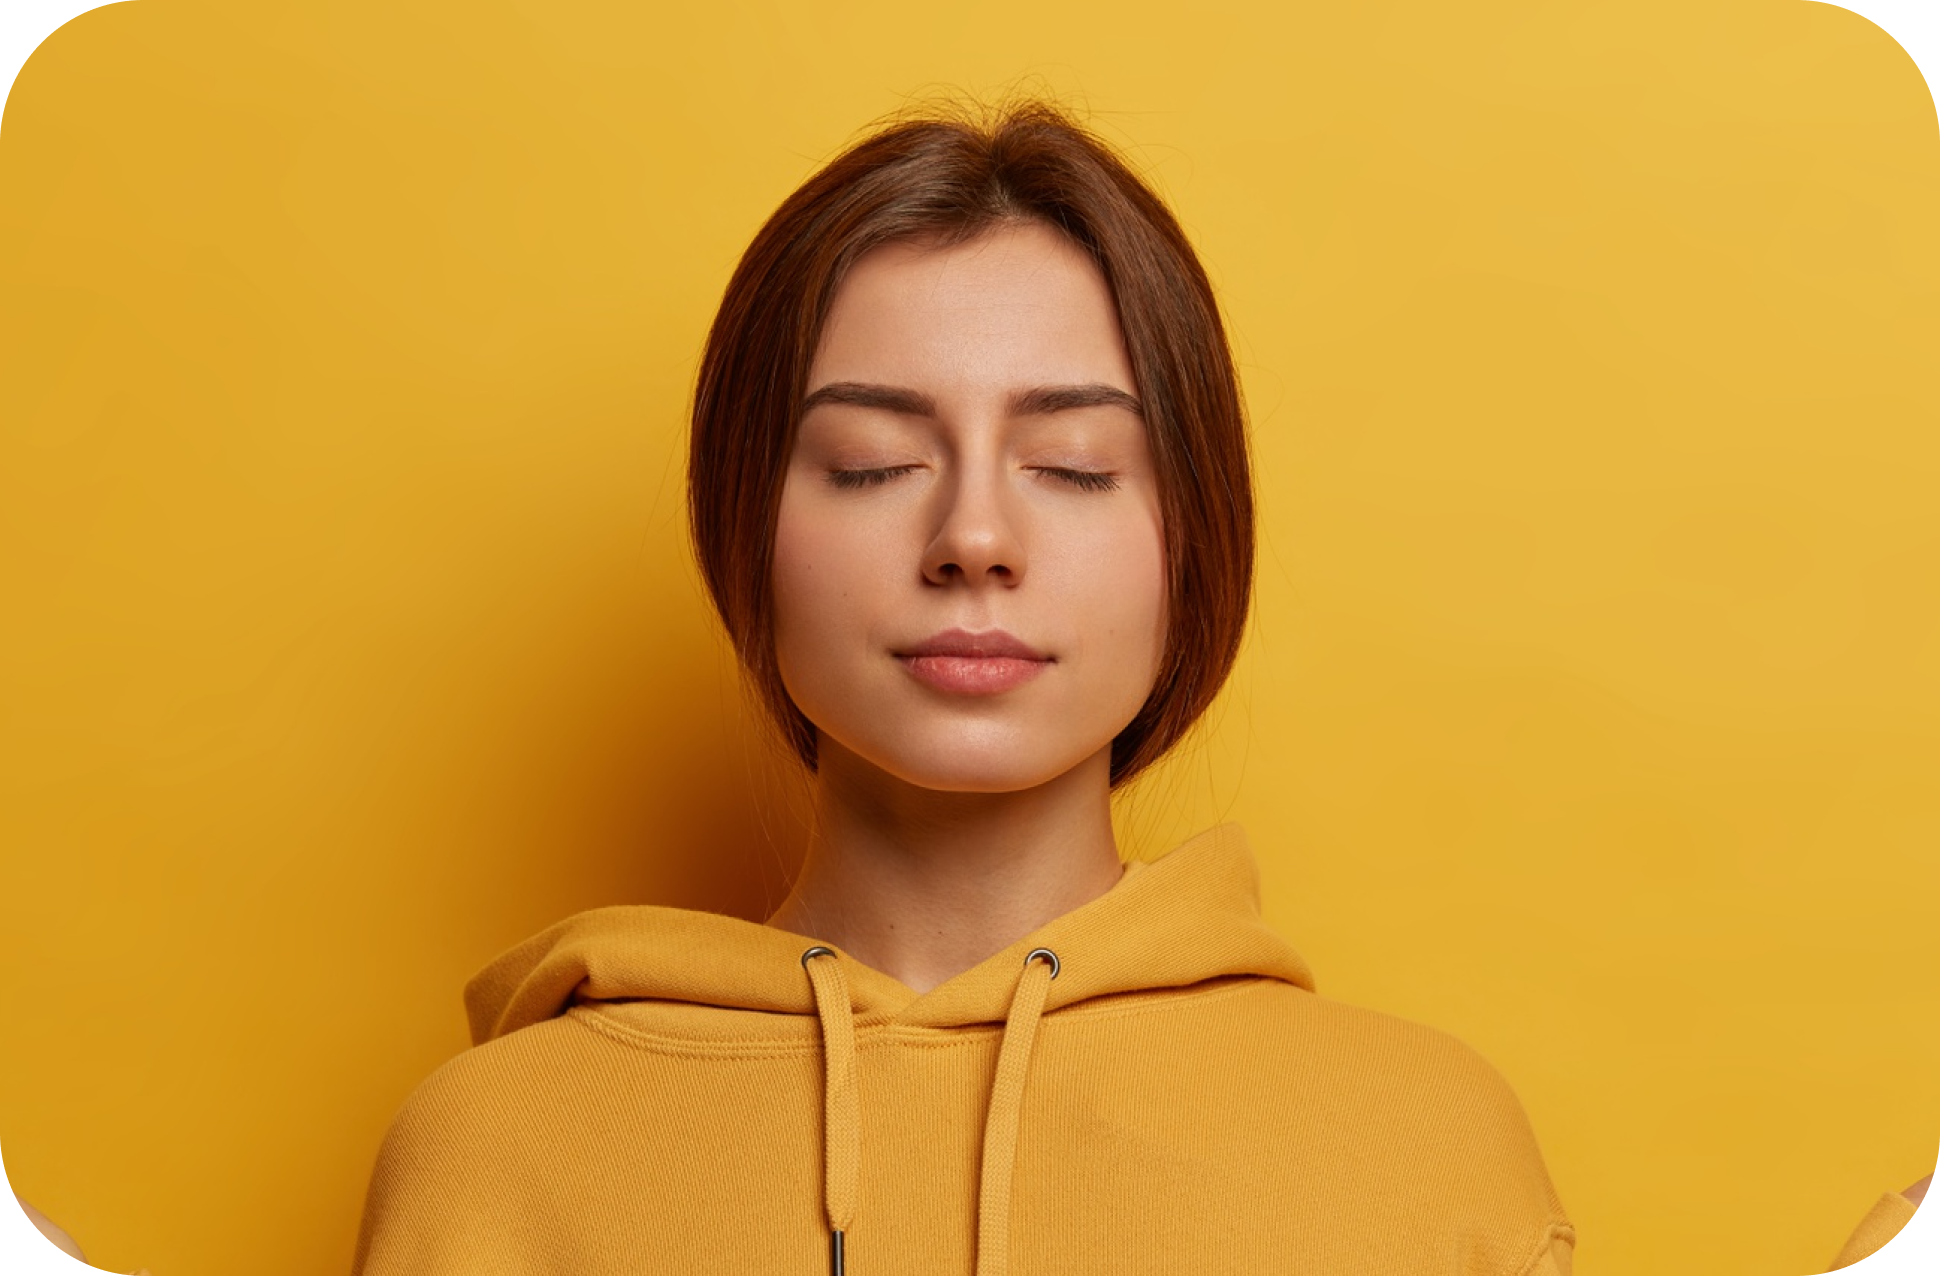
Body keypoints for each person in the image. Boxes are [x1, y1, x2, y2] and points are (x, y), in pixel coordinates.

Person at [15, 95, 1930, 1275]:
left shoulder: (1423, 1150)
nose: (975, 538)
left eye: (1077, 466)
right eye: (867, 461)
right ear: (746, 529)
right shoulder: (504, 1152)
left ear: (1196, 540)